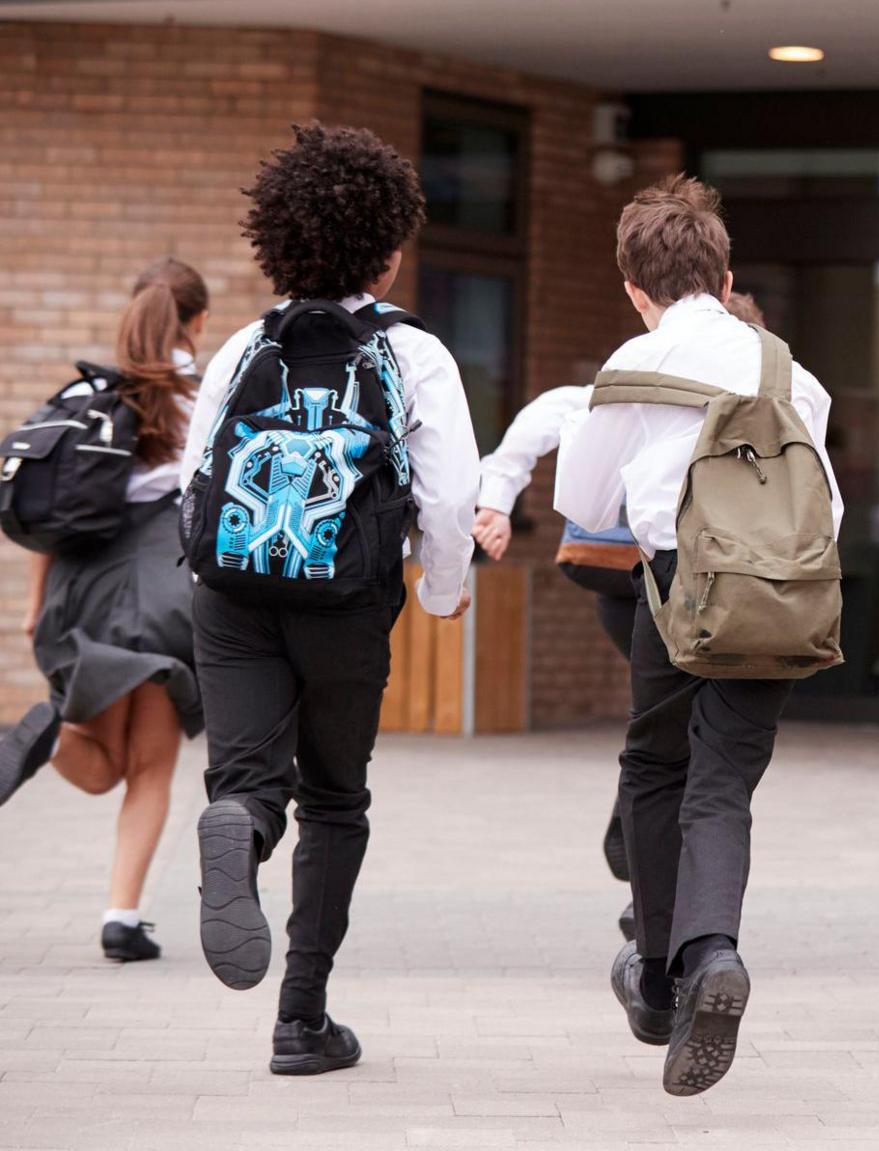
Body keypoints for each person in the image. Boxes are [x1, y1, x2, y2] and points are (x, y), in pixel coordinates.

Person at [179, 123, 480, 1076]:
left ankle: (241, 822)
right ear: (387, 255)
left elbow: (197, 479)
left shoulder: (241, 347)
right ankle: (301, 1021)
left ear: (280, 244)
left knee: (247, 775)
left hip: (229, 593)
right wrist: (441, 592)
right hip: (344, 598)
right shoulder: (415, 355)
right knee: (337, 798)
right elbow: (451, 493)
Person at [555, 176, 840, 1096]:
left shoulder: (632, 366)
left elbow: (586, 506)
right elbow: (822, 492)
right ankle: (712, 950)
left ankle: (654, 978)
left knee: (655, 765)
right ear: (726, 276)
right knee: (722, 783)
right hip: (780, 593)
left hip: (678, 585)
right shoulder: (793, 372)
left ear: (635, 289)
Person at [472, 293, 767, 944]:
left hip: (619, 574)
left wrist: (496, 502)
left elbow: (534, 444)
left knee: (665, 733)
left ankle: (643, 861)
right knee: (688, 743)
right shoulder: (754, 389)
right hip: (671, 574)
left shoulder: (626, 382)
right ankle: (653, 877)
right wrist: (495, 501)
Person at [0, 258, 212, 962]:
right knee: (147, 767)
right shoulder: (207, 398)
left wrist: (35, 608)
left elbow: (52, 516)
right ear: (199, 321)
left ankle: (45, 733)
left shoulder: (91, 393)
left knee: (99, 761)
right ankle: (122, 916)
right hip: (164, 599)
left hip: (82, 591)